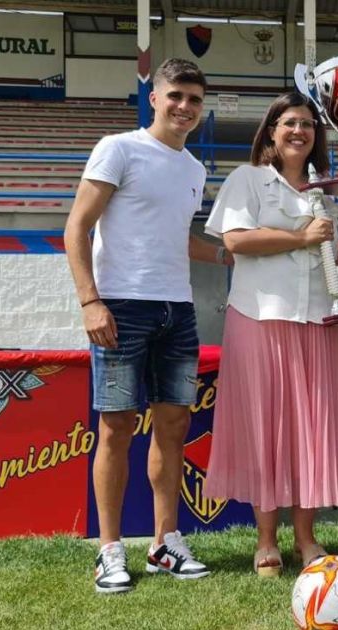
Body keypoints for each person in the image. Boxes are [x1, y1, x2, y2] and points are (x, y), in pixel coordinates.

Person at [64, 58, 232, 593]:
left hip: (176, 310)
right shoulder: (119, 148)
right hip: (121, 308)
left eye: (195, 100)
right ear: (154, 97)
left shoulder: (193, 169)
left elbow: (179, 238)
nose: (185, 107)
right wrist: (91, 301)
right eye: (176, 95)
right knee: (115, 428)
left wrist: (237, 255)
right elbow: (77, 226)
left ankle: (165, 542)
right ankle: (110, 550)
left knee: (174, 427)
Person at [203, 92, 338, 577]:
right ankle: (266, 541)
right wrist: (300, 238)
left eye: (309, 124)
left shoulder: (325, 189)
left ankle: (307, 538)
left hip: (318, 319)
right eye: (290, 122)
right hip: (260, 318)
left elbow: (327, 253)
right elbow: (236, 241)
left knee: (309, 430)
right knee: (266, 429)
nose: (300, 131)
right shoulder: (248, 179)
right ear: (272, 130)